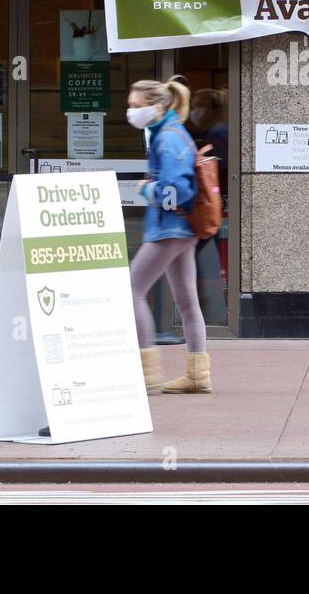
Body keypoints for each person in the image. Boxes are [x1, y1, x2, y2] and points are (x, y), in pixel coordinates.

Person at [128, 77, 211, 394]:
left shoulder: (167, 139)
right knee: (187, 301)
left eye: (137, 106)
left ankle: (146, 374)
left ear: (157, 106)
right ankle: (196, 374)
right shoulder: (171, 133)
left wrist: (148, 189)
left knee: (132, 290)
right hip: (183, 228)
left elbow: (178, 192)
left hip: (169, 228)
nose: (132, 111)